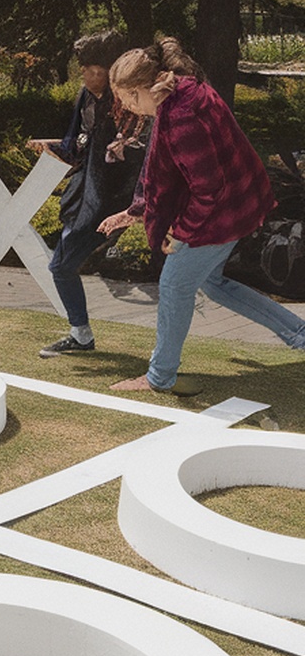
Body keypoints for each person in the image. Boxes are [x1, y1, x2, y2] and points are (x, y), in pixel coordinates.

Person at [96, 37, 305, 392]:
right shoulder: (184, 90)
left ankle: (159, 377)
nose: (128, 107)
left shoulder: (181, 117)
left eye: (127, 98)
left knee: (174, 286)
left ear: (141, 89)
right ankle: (300, 333)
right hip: (238, 204)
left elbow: (208, 188)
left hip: (220, 213)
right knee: (214, 283)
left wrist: (181, 234)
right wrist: (133, 213)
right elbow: (161, 170)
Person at [28, 31, 148, 358]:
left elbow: (134, 159)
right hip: (85, 196)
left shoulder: (128, 104)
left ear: (108, 70)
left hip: (114, 202)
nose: (82, 73)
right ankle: (80, 334)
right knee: (62, 266)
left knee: (61, 266)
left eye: (89, 66)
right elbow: (76, 145)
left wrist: (132, 208)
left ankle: (82, 335)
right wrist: (50, 148)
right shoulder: (86, 95)